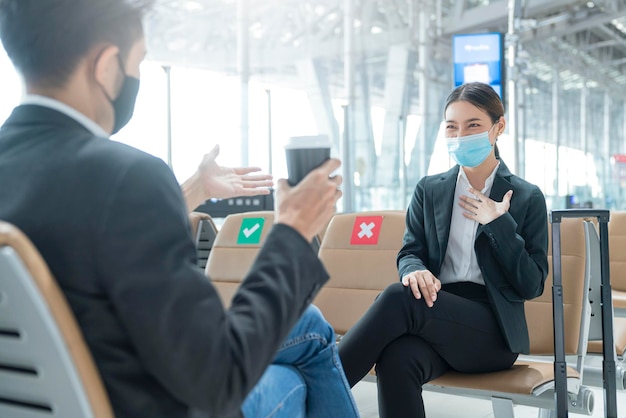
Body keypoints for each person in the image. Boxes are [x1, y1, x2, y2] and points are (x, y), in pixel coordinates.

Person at [0, 1, 360, 417]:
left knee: (305, 333)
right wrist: (294, 231)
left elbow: (78, 223)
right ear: (106, 66)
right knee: (308, 346)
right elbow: (219, 377)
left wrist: (191, 189)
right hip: (158, 401)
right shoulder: (126, 175)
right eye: (138, 63)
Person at [337, 82, 549, 418]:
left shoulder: (526, 196)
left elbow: (531, 284)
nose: (461, 135)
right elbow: (410, 252)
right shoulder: (429, 189)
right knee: (397, 357)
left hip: (493, 331)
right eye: (452, 127)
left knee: (398, 298)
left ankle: (314, 395)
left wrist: (497, 224)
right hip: (436, 313)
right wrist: (414, 271)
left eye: (473, 125)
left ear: (499, 127)